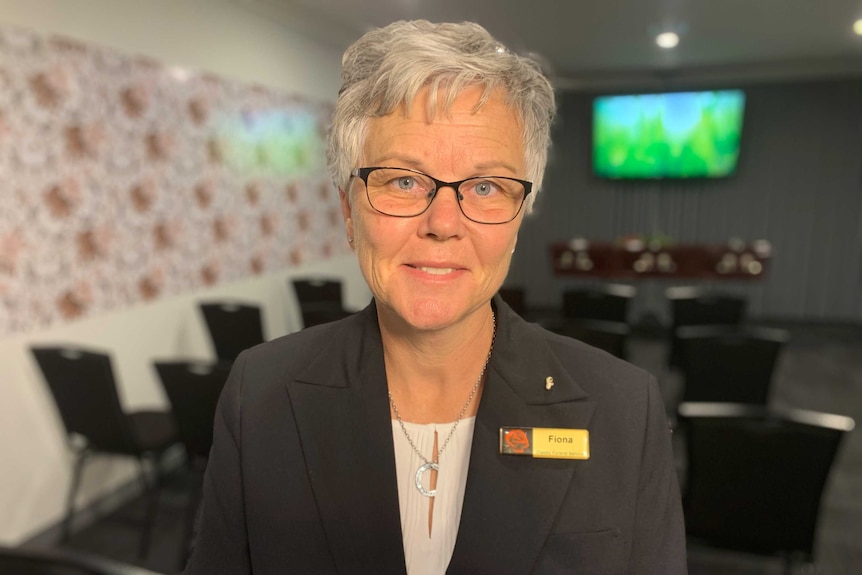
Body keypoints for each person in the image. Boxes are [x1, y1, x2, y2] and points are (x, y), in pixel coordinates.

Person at [185, 20, 686, 575]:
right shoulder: (260, 394)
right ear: (350, 212)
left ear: (519, 216)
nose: (443, 223)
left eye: (485, 186)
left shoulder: (623, 407)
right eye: (403, 181)